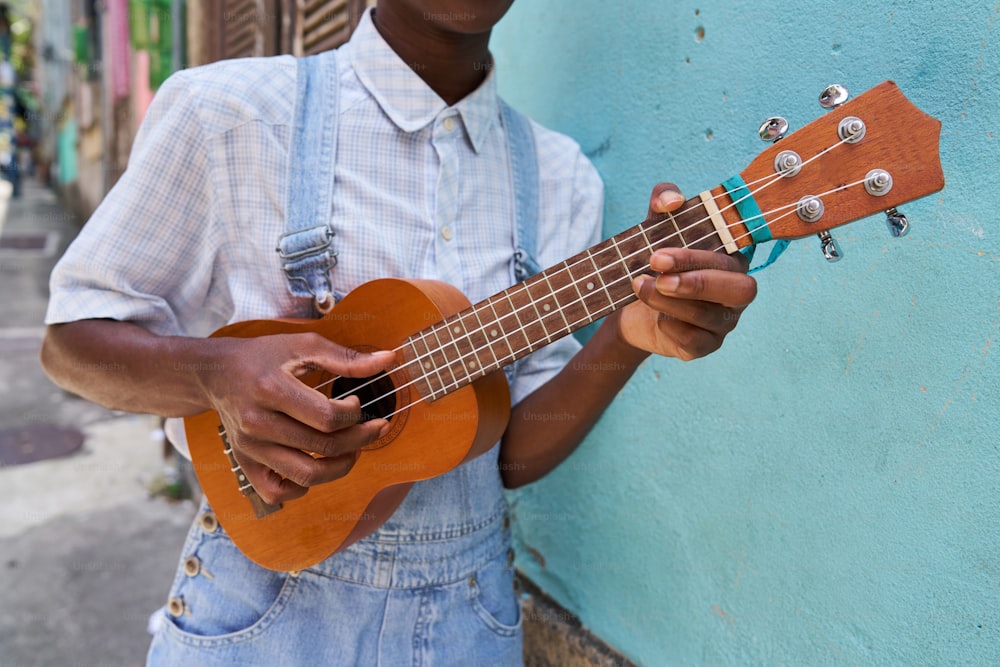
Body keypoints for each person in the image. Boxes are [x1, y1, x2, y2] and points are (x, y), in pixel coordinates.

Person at [40, 1, 757, 664]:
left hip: (465, 623)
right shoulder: (228, 113)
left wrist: (629, 336)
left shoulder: (560, 177)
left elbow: (506, 451)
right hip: (258, 612)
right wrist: (215, 375)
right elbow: (72, 340)